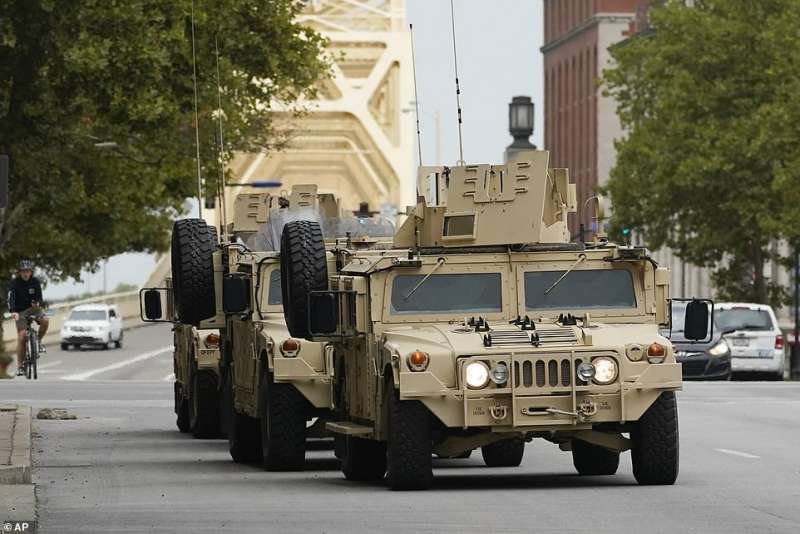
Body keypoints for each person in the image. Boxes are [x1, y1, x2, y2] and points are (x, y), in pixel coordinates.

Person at [8, 259, 48, 376]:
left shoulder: (35, 282)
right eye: (23, 271)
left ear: (31, 272)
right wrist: (13, 311)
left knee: (45, 320)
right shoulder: (14, 283)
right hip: (20, 311)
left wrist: (38, 303)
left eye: (28, 271)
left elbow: (40, 298)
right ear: (19, 272)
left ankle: (38, 342)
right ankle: (20, 367)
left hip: (33, 309)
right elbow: (11, 299)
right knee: (21, 336)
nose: (25, 273)